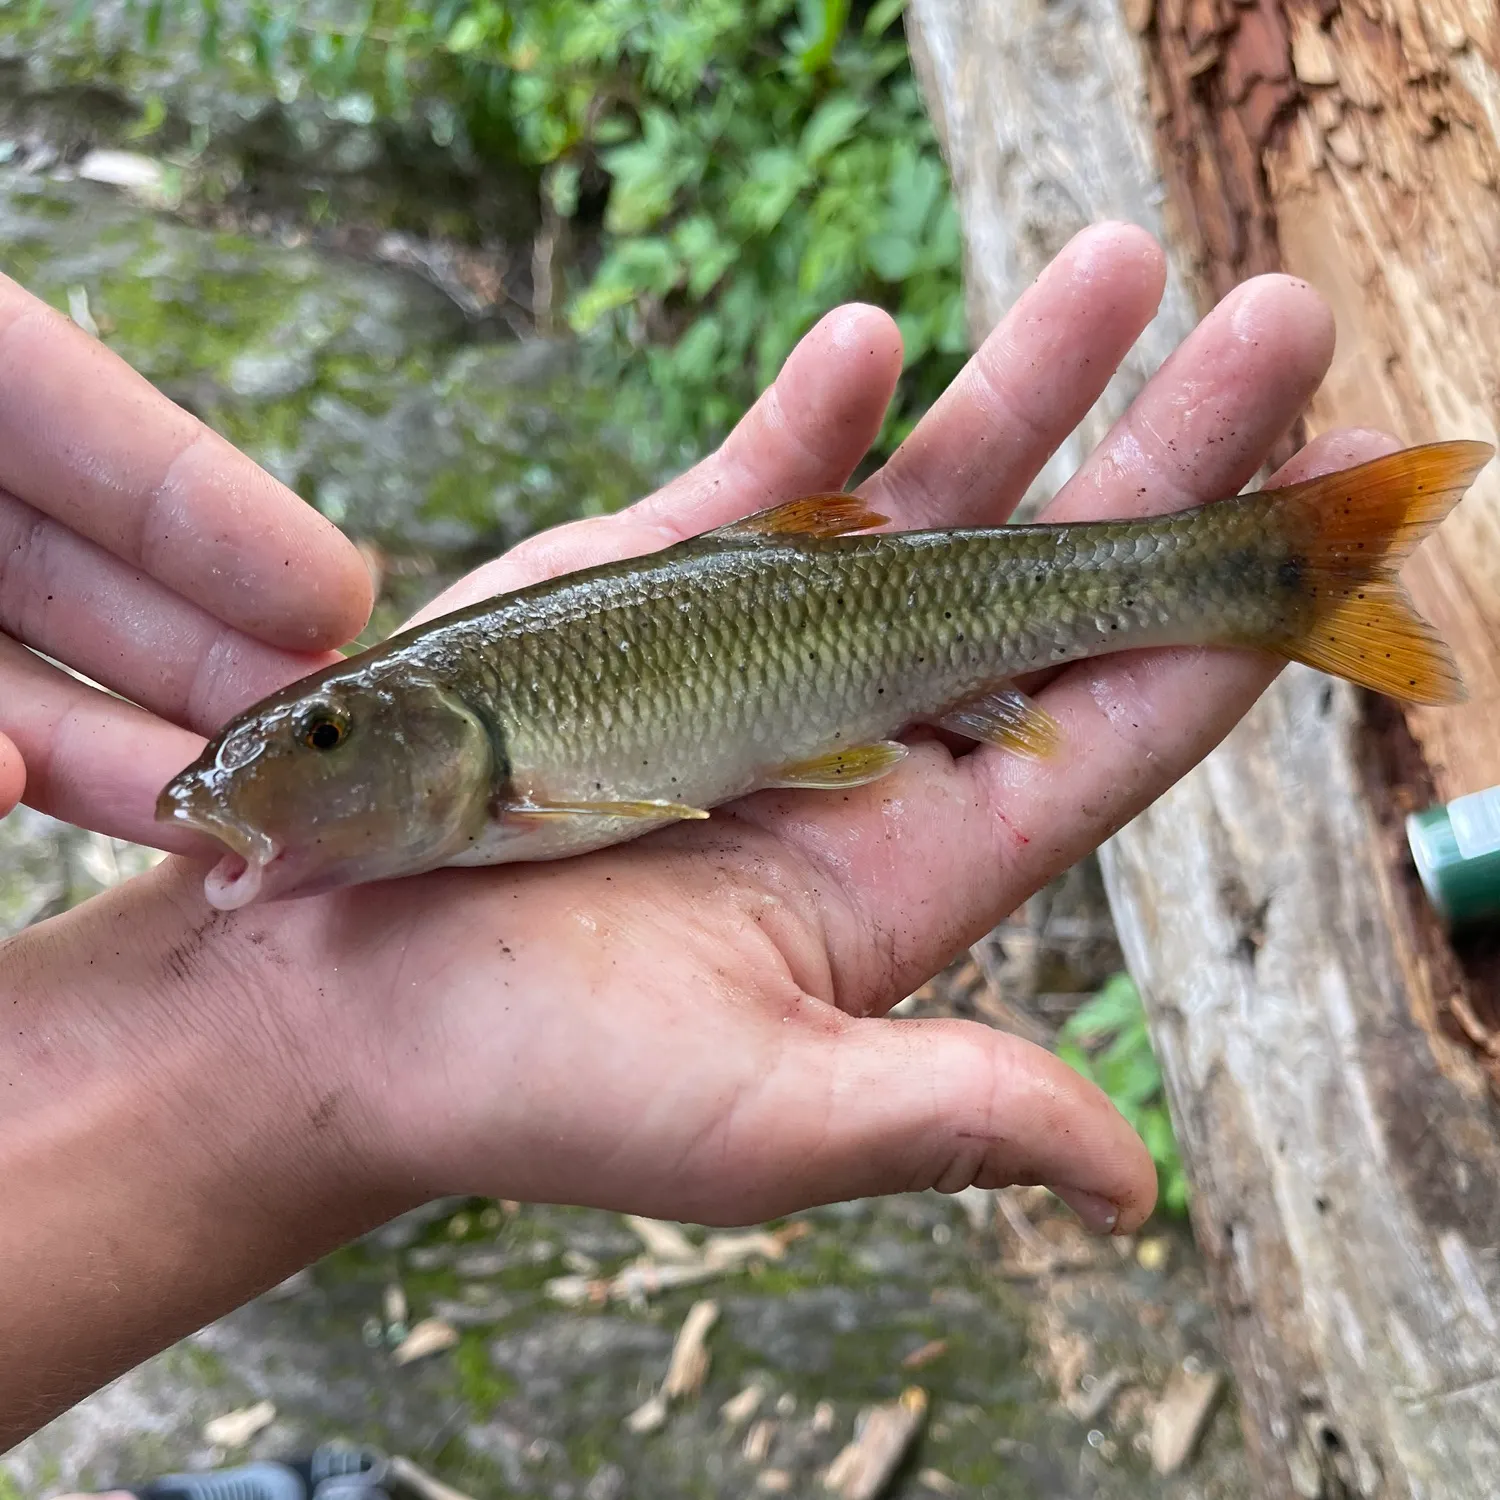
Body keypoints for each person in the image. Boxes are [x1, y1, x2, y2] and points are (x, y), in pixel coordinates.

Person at [0, 220, 1393, 1452]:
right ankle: (1257, 572)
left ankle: (1260, 571)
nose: (278, 767)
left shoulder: (495, 778)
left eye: (318, 736)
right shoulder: (434, 802)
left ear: (407, 735)